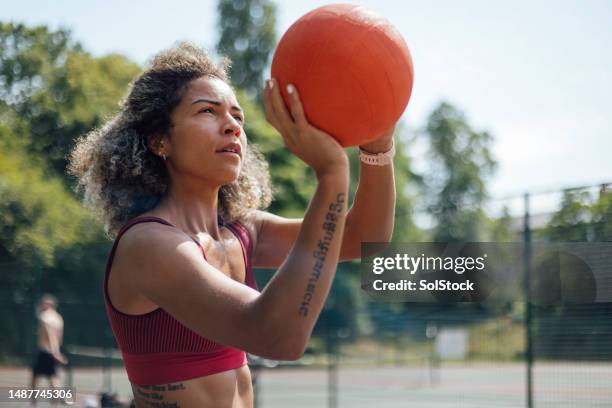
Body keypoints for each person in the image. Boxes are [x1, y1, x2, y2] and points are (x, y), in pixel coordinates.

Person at [69, 42, 396, 408]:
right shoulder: (148, 245)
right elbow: (277, 337)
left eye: (238, 117)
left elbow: (364, 237)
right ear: (160, 140)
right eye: (208, 111)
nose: (232, 127)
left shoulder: (242, 231)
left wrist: (377, 148)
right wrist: (332, 174)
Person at [30, 294, 67, 405]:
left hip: (46, 352)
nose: (41, 305)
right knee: (53, 378)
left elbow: (51, 336)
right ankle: (56, 402)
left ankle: (33, 403)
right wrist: (57, 352)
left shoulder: (44, 317)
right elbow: (59, 337)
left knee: (35, 378)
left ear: (48, 304)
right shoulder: (59, 318)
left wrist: (55, 353)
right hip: (53, 351)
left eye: (43, 303)